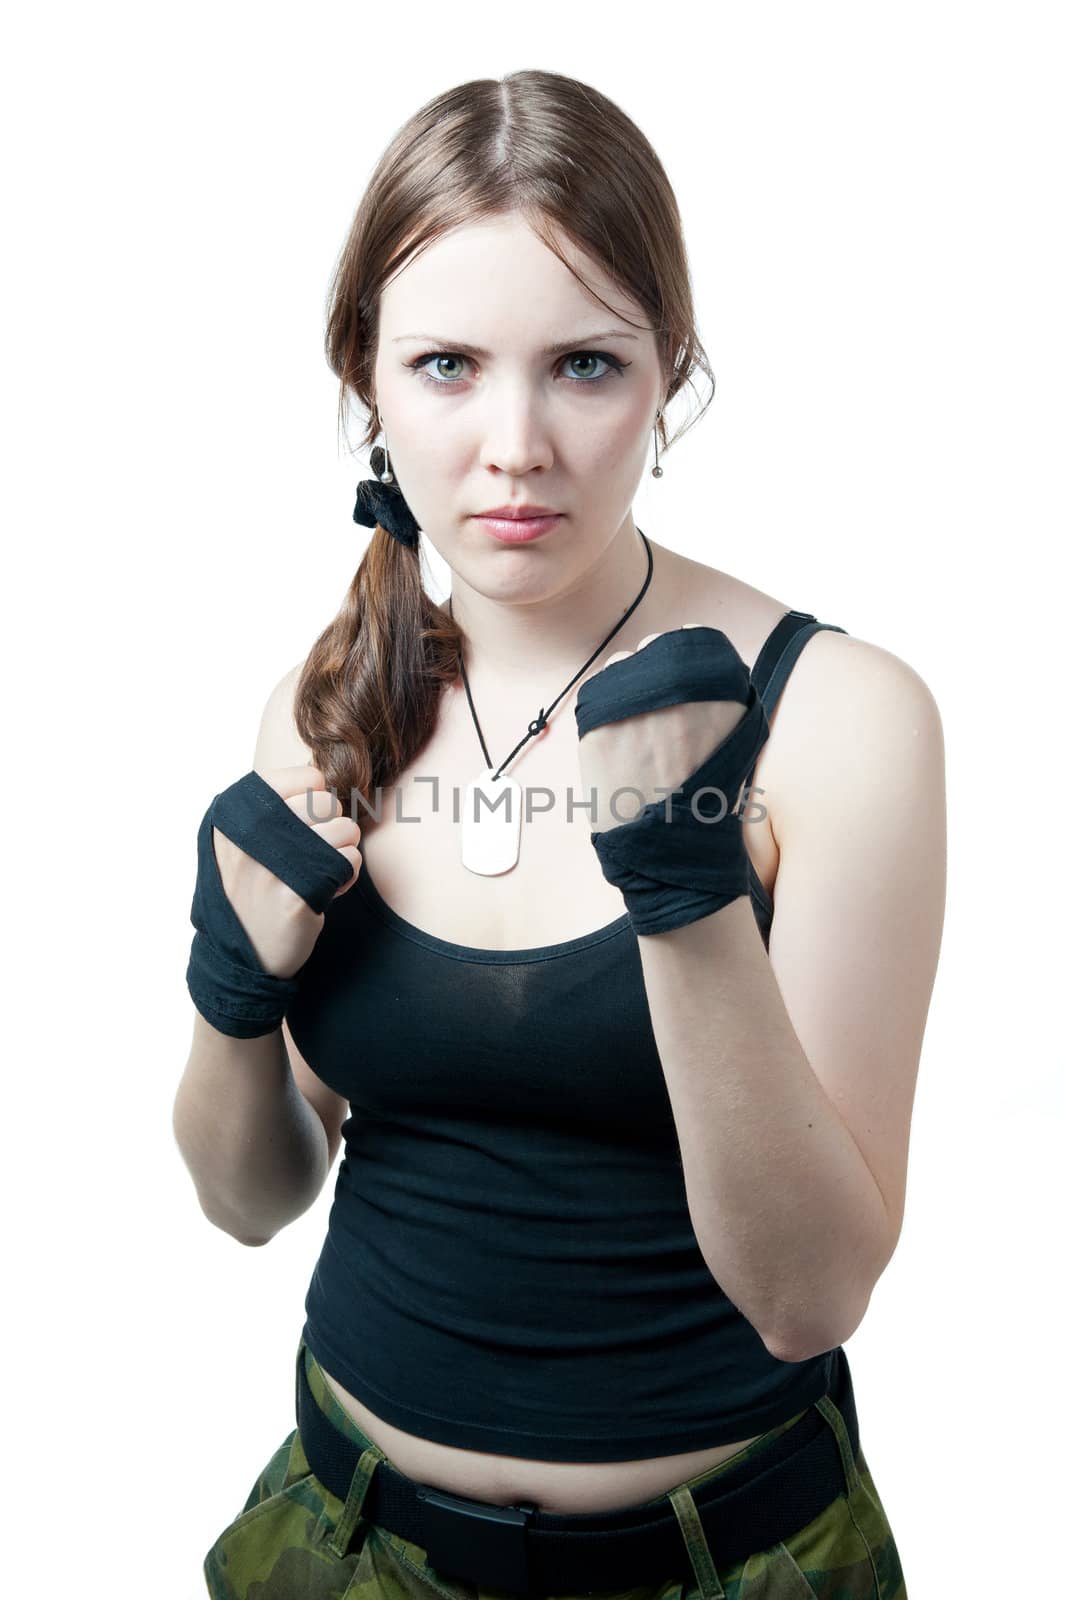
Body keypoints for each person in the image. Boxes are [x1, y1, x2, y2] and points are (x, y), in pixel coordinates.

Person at [174, 67, 944, 1600]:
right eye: (448, 365)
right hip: (344, 1538)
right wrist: (228, 998)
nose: (514, 444)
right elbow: (251, 1200)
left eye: (583, 366)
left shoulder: (837, 719)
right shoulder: (330, 709)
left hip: (732, 1564)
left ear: (667, 376)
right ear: (367, 384)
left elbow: (808, 1297)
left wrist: (682, 882)